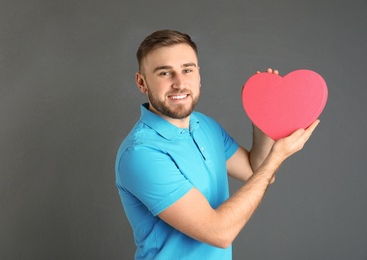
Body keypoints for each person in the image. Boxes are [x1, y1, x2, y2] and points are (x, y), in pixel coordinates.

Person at [115, 29, 319, 259]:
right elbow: (220, 233)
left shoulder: (205, 126)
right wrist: (278, 156)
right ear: (142, 83)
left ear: (198, 74)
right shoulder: (141, 153)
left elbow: (257, 171)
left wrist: (262, 116)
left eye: (187, 70)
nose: (179, 83)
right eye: (165, 73)